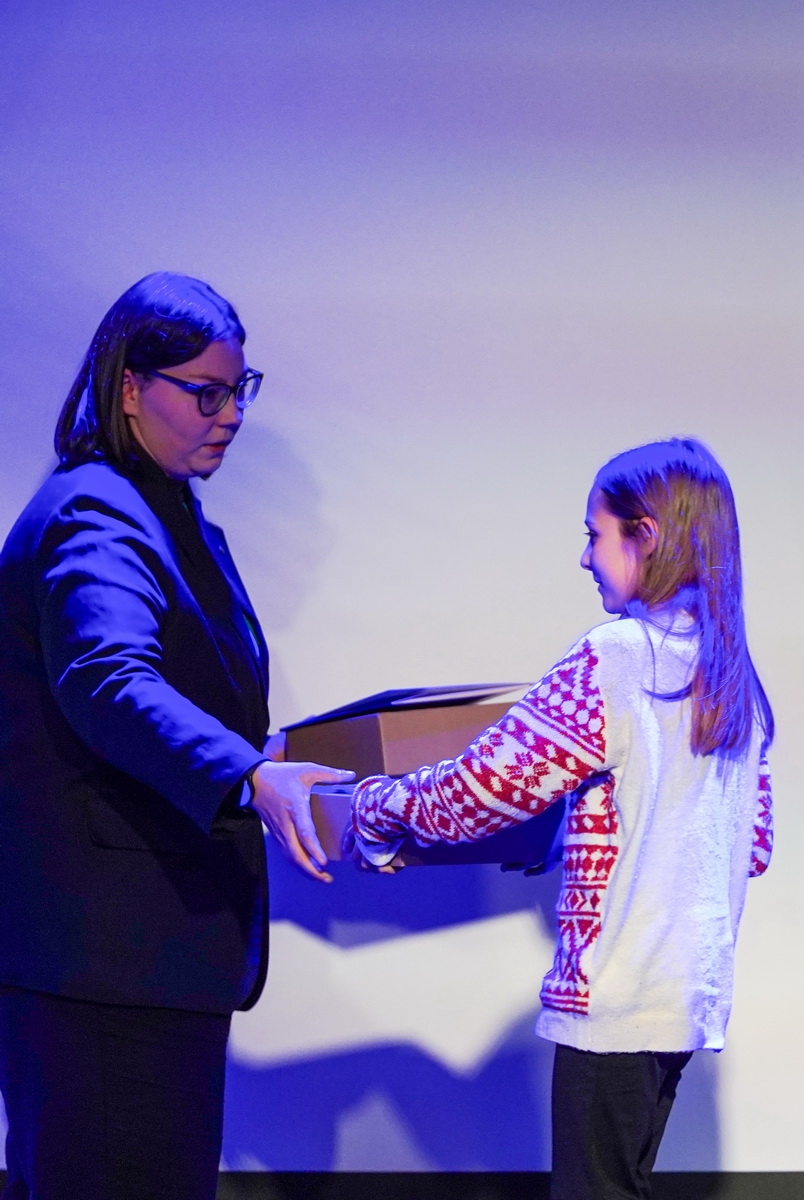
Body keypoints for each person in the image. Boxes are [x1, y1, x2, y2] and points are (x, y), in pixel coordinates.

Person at [0, 272, 352, 1200]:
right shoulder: (98, 512)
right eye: (205, 393)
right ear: (129, 387)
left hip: (139, 964)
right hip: (105, 970)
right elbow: (107, 680)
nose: (229, 415)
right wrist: (247, 775)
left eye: (240, 391)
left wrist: (269, 761)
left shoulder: (160, 506)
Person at [347, 438, 774, 1200]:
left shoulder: (617, 657)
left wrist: (371, 808)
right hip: (685, 999)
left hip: (617, 998)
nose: (584, 558)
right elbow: (753, 847)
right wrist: (588, 830)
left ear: (646, 536)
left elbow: (480, 790)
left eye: (593, 534)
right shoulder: (731, 678)